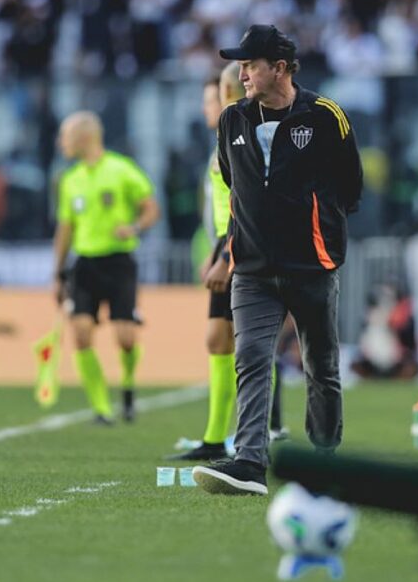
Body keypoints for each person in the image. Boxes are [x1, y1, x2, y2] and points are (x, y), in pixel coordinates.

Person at [193, 25, 363, 495]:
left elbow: (350, 187)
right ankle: (250, 462)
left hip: (312, 265)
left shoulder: (327, 116)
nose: (242, 74)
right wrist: (236, 250)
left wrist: (316, 234)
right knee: (249, 356)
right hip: (252, 269)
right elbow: (236, 191)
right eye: (242, 66)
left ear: (281, 68)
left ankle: (325, 457)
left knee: (320, 365)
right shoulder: (232, 121)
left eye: (250, 65)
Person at [52, 111, 160, 424]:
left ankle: (127, 388)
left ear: (84, 136)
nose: (61, 142)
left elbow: (152, 208)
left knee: (125, 337)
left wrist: (136, 227)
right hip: (85, 263)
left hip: (119, 262)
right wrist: (57, 274)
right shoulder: (69, 180)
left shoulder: (122, 170)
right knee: (81, 332)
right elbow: (65, 228)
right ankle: (100, 407)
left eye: (65, 135)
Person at [169, 64, 245, 461]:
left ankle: (259, 434)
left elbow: (242, 205)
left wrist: (226, 254)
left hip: (241, 244)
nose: (205, 108)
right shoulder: (220, 143)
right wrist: (212, 252)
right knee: (220, 340)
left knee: (250, 343)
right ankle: (216, 438)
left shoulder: (239, 138)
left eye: (210, 98)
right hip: (223, 243)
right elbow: (216, 208)